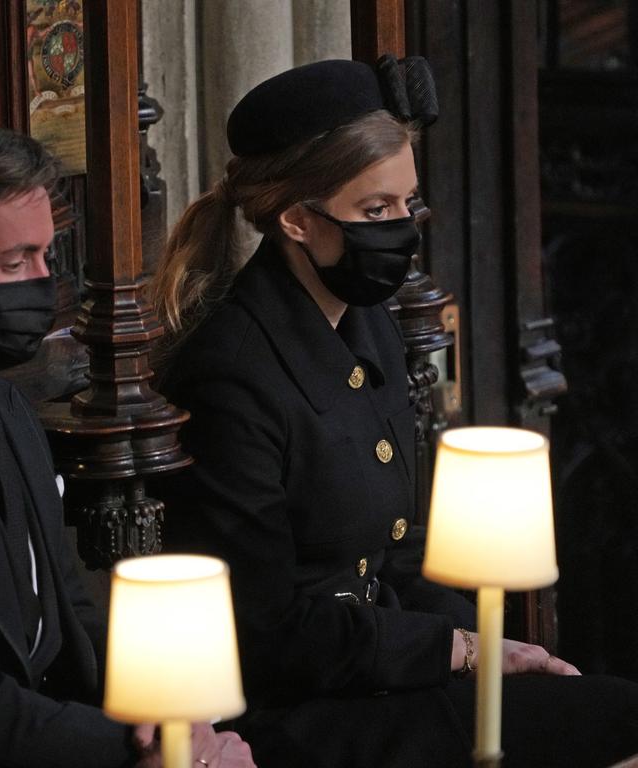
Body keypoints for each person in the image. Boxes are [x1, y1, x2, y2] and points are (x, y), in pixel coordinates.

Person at [150, 57, 638, 768]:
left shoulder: (366, 322)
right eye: (376, 211)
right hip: (296, 710)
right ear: (295, 219)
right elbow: (263, 629)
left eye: (407, 204)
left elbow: (398, 549)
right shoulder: (229, 370)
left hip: (387, 673)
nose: (403, 230)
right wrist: (458, 651)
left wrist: (489, 648)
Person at [0, 118, 256, 768]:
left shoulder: (3, 403)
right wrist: (157, 755)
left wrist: (166, 714)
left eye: (45, 255)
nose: (44, 284)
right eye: (15, 263)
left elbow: (66, 609)